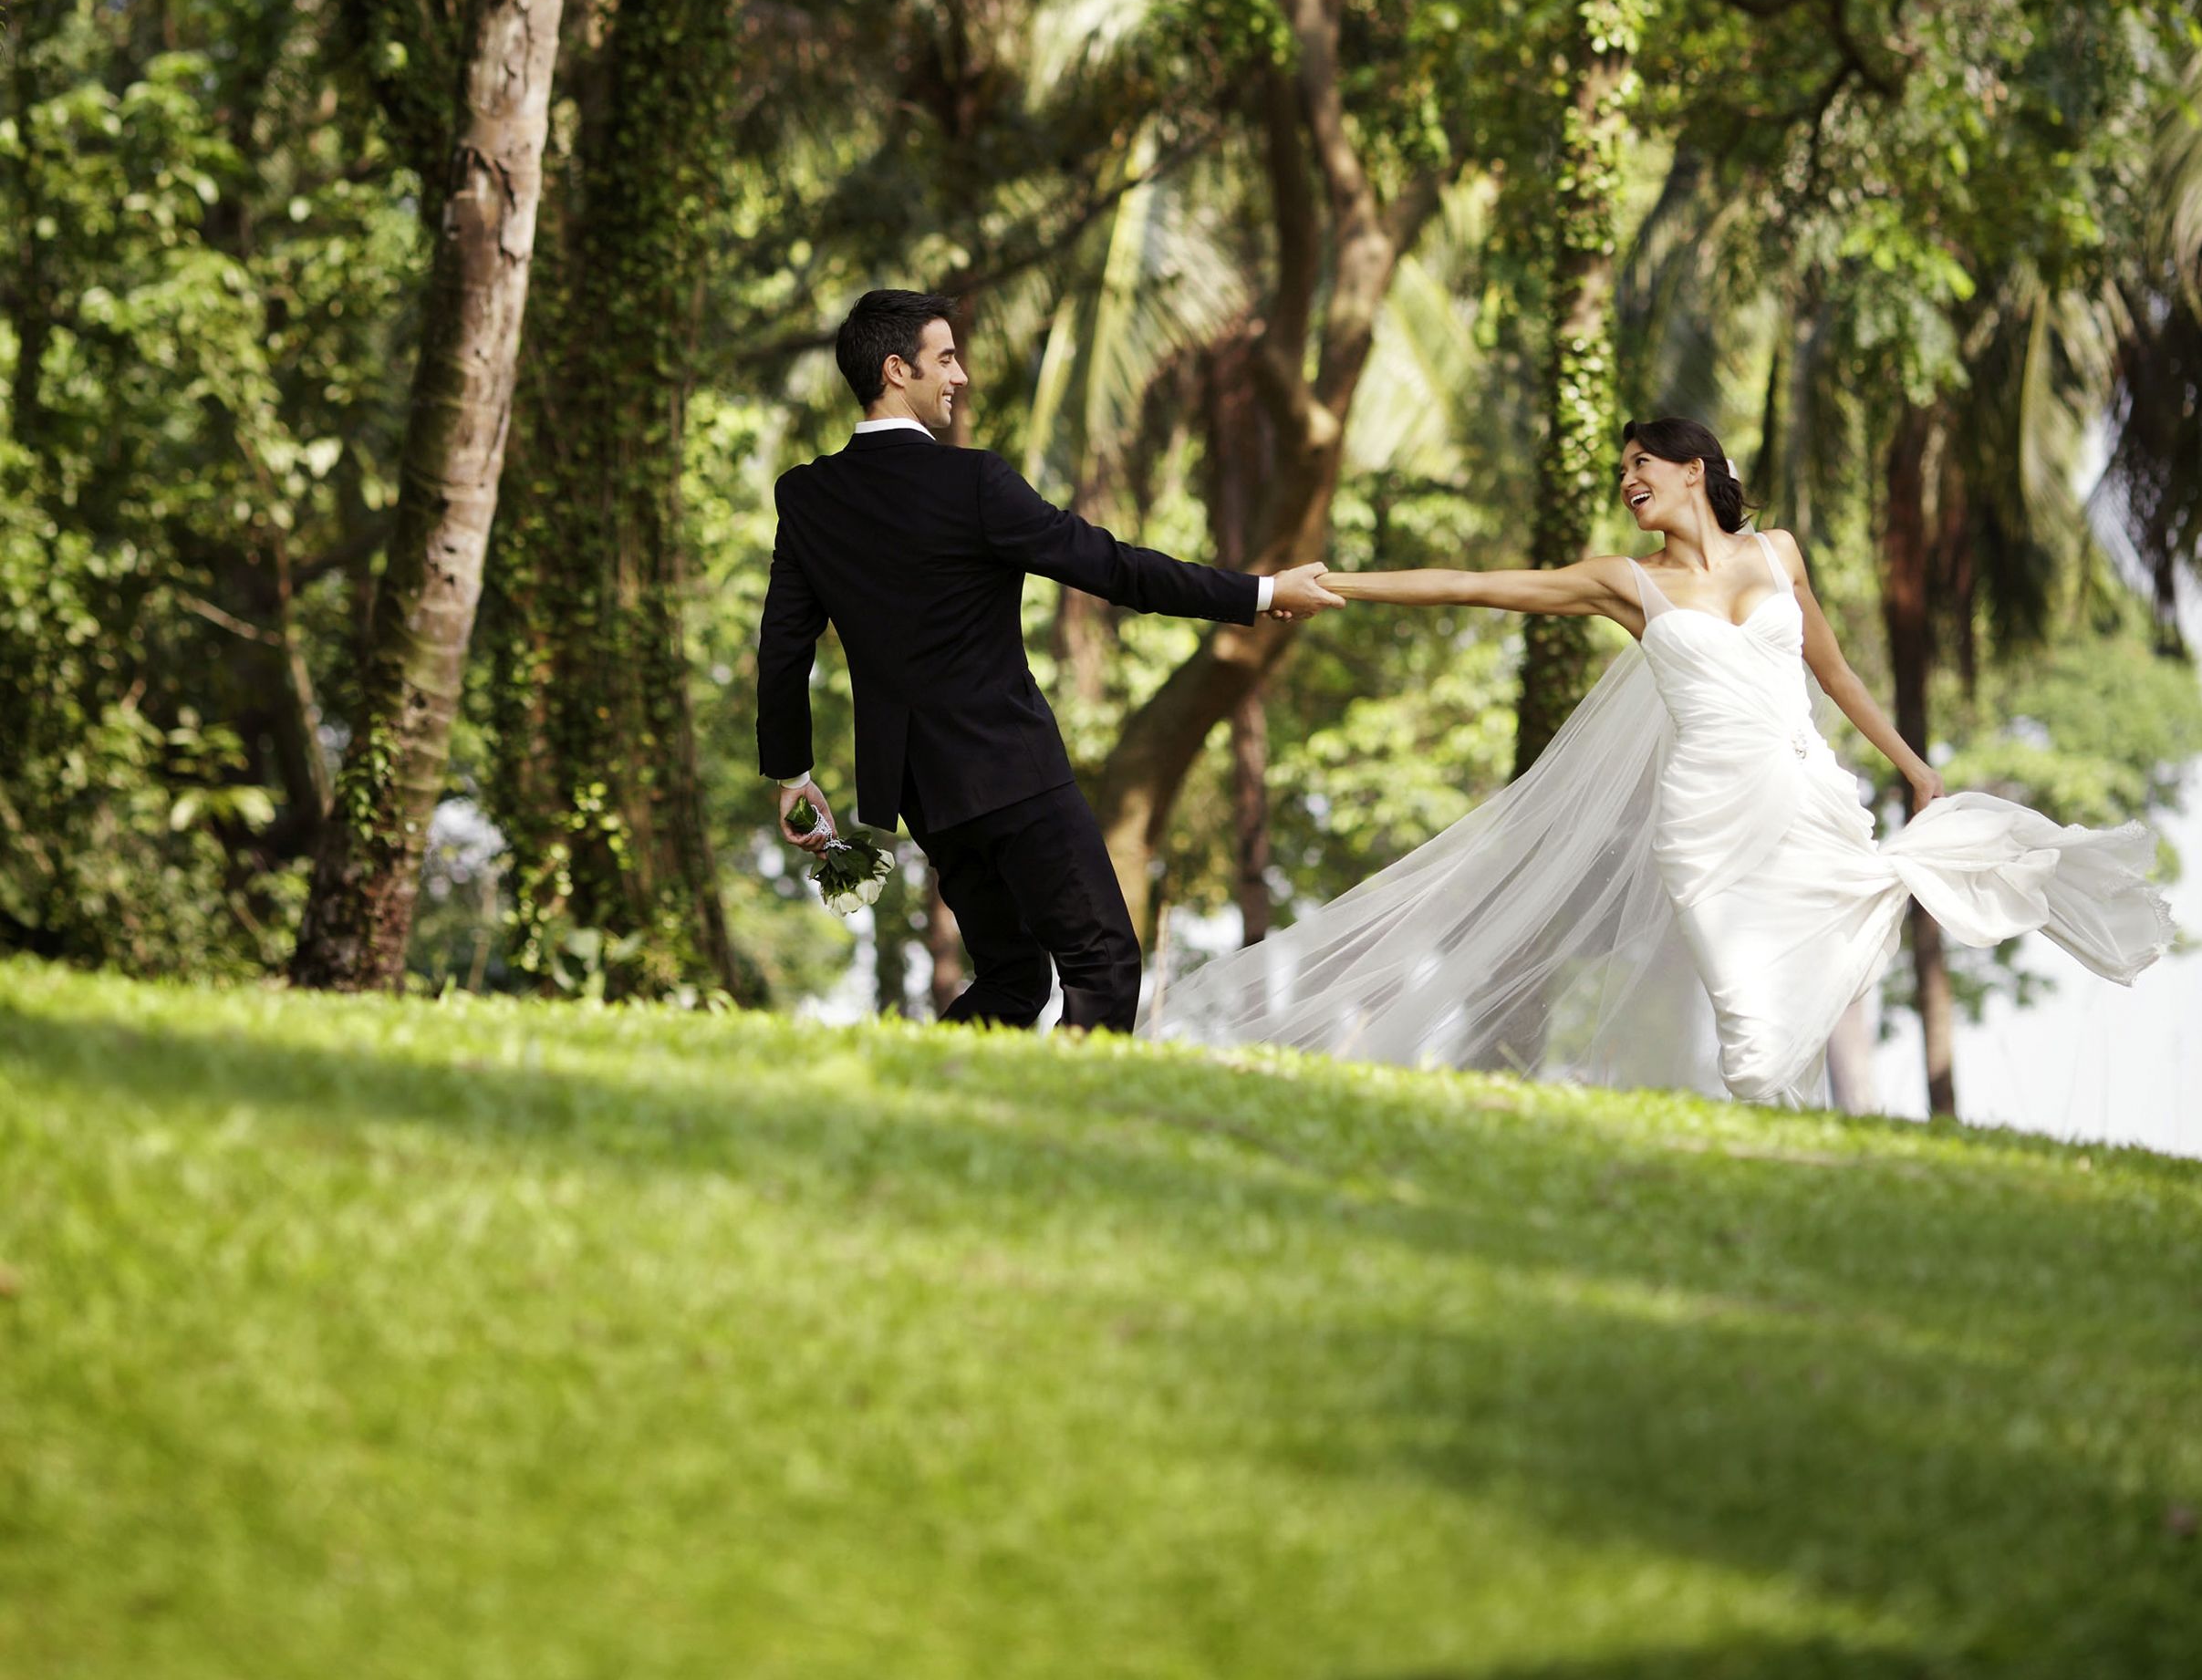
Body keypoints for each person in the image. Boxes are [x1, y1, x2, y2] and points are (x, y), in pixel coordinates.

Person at [1148, 414, 2171, 1107]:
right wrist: (1329, 585)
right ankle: (1766, 1123)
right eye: (1619, 470)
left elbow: (1834, 668)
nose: (1627, 481)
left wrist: (1912, 765)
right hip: (1705, 820)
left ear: (1693, 468)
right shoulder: (1620, 581)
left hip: (1801, 796)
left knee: (1867, 903)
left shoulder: (1777, 553)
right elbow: (1472, 581)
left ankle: (2022, 882)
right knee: (1743, 1002)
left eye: (1640, 462)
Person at [757, 287, 1337, 1032]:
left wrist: (793, 778)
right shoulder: (974, 484)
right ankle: (1066, 1131)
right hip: (1007, 765)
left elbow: (783, 646)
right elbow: (1114, 569)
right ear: (897, 370)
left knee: (1011, 977)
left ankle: (933, 1107)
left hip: (917, 786)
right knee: (1105, 964)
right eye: (945, 358)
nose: (959, 375)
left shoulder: (808, 496)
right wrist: (1260, 592)